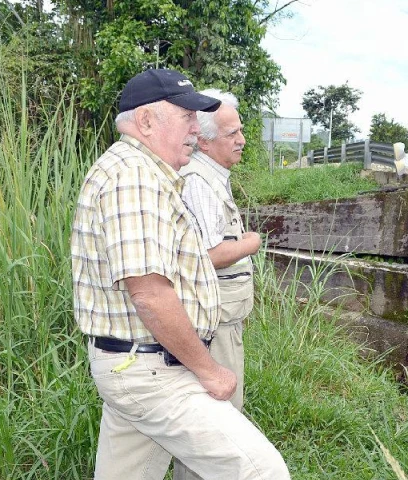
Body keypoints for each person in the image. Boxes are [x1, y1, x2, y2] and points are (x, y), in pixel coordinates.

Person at [71, 68, 290, 480]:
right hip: (152, 373)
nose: (196, 128)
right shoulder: (134, 178)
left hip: (133, 366)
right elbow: (150, 294)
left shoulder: (137, 171)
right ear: (147, 122)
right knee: (261, 472)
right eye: (186, 116)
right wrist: (208, 369)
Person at [172, 89, 261, 480]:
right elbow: (205, 255)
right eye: (232, 134)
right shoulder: (199, 183)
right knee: (217, 424)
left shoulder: (212, 178)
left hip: (224, 317)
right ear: (204, 141)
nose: (241, 140)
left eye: (240, 131)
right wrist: (249, 244)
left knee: (218, 419)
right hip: (214, 322)